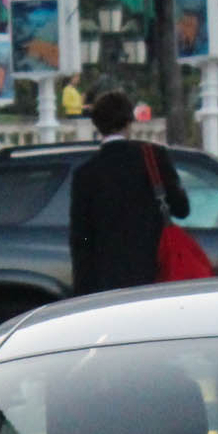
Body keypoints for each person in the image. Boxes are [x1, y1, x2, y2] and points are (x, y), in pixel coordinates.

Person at [68, 89, 187, 295]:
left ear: (97, 125)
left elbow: (82, 237)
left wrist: (83, 287)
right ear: (129, 122)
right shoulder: (154, 158)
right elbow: (181, 209)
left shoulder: (85, 174)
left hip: (106, 280)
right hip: (153, 272)